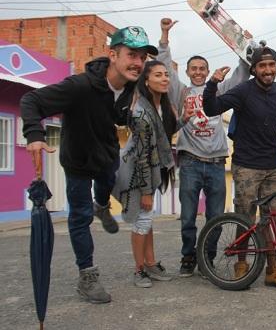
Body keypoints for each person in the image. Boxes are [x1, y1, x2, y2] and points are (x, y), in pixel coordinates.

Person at [20, 26, 158, 303]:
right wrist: (34, 135)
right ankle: (87, 275)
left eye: (142, 58)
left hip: (106, 156)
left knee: (106, 183)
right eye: (132, 55)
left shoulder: (131, 85)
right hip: (78, 160)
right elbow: (30, 100)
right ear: (112, 55)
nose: (138, 63)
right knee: (80, 216)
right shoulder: (79, 86)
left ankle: (103, 206)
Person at [155, 18, 250, 277]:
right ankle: (188, 257)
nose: (198, 72)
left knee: (215, 218)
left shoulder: (217, 90)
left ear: (207, 72)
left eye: (202, 68)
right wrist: (164, 35)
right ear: (187, 72)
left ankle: (207, 258)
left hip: (218, 163)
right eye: (193, 68)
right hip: (190, 163)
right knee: (187, 217)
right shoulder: (181, 92)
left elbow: (241, 77)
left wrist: (245, 49)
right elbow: (164, 65)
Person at [202, 46, 276, 290]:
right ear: (254, 69)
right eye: (262, 66)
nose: (267, 70)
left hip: (272, 165)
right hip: (246, 165)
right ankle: (241, 266)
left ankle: (272, 271)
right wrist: (212, 83)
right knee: (245, 218)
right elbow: (212, 109)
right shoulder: (243, 91)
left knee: (270, 221)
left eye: (271, 65)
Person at [111, 60, 176, 288]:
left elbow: (162, 137)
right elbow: (142, 156)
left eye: (166, 74)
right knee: (142, 219)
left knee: (146, 220)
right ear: (146, 81)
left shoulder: (160, 106)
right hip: (137, 172)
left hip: (150, 169)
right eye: (158, 75)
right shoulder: (140, 112)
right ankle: (139, 270)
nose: (165, 78)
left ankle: (150, 263)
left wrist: (183, 120)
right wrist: (147, 191)